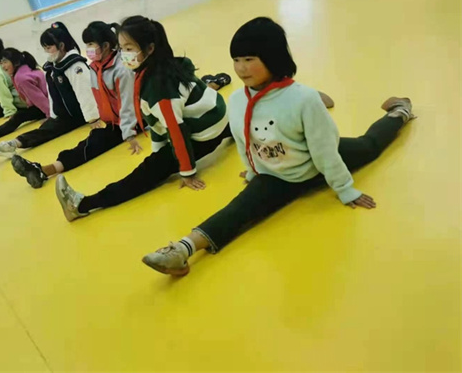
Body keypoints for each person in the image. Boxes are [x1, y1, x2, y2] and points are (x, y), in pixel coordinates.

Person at [141, 17, 415, 276]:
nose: (241, 68)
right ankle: (180, 251)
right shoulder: (237, 101)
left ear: (273, 58)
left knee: (369, 146)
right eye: (236, 60)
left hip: (314, 163)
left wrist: (345, 189)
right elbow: (243, 140)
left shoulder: (303, 100)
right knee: (237, 210)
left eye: (250, 59)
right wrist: (253, 170)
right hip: (277, 176)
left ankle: (399, 112)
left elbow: (325, 150)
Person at [54, 16, 232, 221]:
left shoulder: (158, 86)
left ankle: (81, 205)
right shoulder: (156, 68)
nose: (123, 54)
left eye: (129, 48)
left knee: (144, 173)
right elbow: (155, 121)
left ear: (150, 49)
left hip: (205, 132)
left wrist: (187, 171)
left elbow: (176, 129)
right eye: (121, 48)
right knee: (156, 163)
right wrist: (158, 153)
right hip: (217, 117)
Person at [11, 21, 142, 188]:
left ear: (106, 46)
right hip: (113, 122)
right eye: (86, 44)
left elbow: (129, 101)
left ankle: (44, 169)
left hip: (128, 122)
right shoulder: (95, 67)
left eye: (91, 44)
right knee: (90, 142)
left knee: (92, 144)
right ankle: (42, 169)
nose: (88, 48)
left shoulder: (119, 68)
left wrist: (128, 131)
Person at [0, 22, 99, 157]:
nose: (46, 52)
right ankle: (12, 143)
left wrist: (93, 118)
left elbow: (85, 93)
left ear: (61, 46)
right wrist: (52, 114)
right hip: (64, 113)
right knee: (45, 128)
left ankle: (12, 144)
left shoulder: (74, 65)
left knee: (47, 130)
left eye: (49, 48)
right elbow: (52, 94)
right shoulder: (53, 67)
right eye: (45, 48)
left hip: (78, 114)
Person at [0, 48, 49, 148]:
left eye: (5, 62)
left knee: (18, 116)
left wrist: (50, 116)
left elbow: (39, 98)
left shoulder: (21, 77)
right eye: (1, 63)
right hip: (46, 104)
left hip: (49, 106)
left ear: (16, 62)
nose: (3, 66)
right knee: (14, 114)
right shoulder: (24, 68)